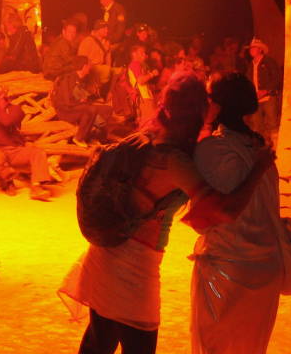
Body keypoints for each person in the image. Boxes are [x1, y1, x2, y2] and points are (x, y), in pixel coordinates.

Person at [59, 73, 276, 354]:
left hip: (106, 252)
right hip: (133, 263)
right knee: (137, 345)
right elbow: (227, 210)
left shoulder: (149, 136)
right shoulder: (176, 161)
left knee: (100, 342)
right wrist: (259, 167)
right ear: (198, 110)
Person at [191, 72, 283, 354]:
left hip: (228, 268)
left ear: (217, 105)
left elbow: (226, 212)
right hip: (267, 267)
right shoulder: (259, 146)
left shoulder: (212, 149)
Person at [0, 84, 53, 201]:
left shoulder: (15, 110)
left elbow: (6, 121)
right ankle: (8, 182)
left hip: (16, 150)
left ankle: (36, 187)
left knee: (38, 152)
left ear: (5, 96)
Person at [53, 56, 114, 147]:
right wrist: (81, 101)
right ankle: (79, 138)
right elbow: (68, 102)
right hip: (65, 110)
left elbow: (85, 99)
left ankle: (96, 137)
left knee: (107, 109)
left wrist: (84, 100)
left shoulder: (82, 80)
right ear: (85, 66)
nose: (91, 66)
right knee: (90, 110)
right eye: (89, 64)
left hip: (78, 108)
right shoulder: (68, 79)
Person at [243, 38, 283, 148]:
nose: (251, 50)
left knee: (273, 124)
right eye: (250, 48)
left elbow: (277, 79)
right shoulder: (251, 65)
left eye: (253, 48)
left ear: (260, 49)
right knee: (257, 126)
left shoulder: (269, 62)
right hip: (256, 99)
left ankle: (277, 147)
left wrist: (265, 91)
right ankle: (260, 149)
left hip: (268, 98)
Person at [78, 20, 112, 94]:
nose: (107, 30)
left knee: (116, 72)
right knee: (106, 70)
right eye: (104, 28)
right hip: (90, 68)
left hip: (102, 68)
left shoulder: (107, 42)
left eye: (107, 28)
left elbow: (108, 59)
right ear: (97, 30)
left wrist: (109, 69)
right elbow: (81, 59)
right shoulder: (88, 41)